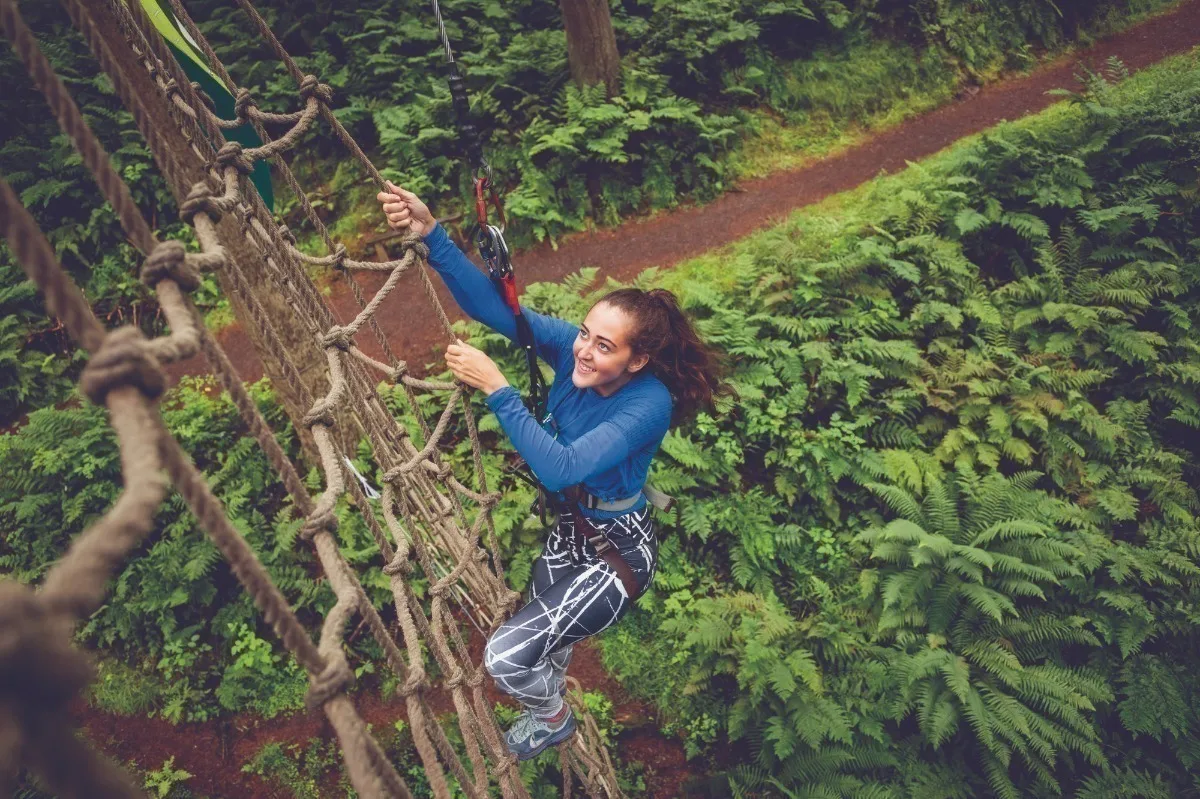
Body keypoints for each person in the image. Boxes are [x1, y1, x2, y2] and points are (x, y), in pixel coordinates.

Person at [377, 182, 732, 761]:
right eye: (585, 334)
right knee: (549, 648)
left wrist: (498, 389)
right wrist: (432, 235)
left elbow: (560, 466)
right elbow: (498, 312)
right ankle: (553, 701)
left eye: (604, 346)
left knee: (505, 658)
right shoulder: (574, 353)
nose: (584, 352)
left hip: (620, 553)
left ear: (636, 360)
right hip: (575, 530)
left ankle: (553, 717)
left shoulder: (648, 405)